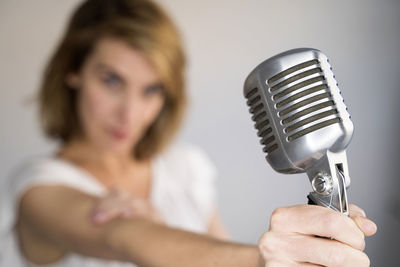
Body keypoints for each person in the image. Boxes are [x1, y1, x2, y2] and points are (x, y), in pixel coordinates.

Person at [0, 0, 377, 266]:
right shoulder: (38, 188)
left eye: (152, 89)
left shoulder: (185, 167)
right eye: (112, 80)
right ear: (73, 71)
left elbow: (211, 251)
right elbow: (124, 237)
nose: (130, 113)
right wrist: (262, 261)